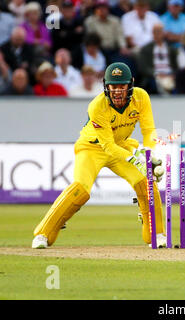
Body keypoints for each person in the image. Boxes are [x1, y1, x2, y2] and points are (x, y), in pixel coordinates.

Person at [32, 62, 166, 249]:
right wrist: (137, 159)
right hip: (92, 148)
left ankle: (157, 233)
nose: (117, 92)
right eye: (113, 87)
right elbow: (108, 146)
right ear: (106, 86)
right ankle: (42, 234)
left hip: (122, 146)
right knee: (80, 190)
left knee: (146, 182)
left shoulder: (141, 97)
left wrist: (149, 154)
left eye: (122, 86)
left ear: (131, 85)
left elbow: (149, 130)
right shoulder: (97, 106)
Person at [138, 23, 178, 94]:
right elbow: (143, 68)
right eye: (156, 32)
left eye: (160, 32)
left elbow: (176, 66)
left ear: (163, 33)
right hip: (154, 76)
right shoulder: (146, 49)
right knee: (153, 83)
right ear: (152, 33)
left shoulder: (171, 49)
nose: (158, 34)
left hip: (169, 75)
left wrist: (172, 74)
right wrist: (156, 74)